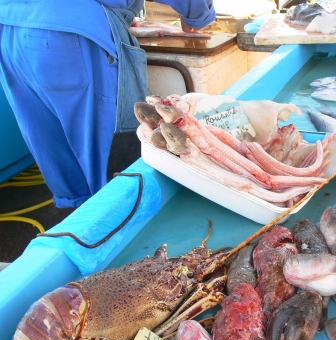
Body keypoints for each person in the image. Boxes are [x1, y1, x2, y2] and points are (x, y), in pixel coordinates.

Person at [0, 0, 215, 208]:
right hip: (71, 32)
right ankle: (122, 216)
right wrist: (199, 14)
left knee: (53, 145)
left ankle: (84, 222)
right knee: (112, 162)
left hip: (10, 32)